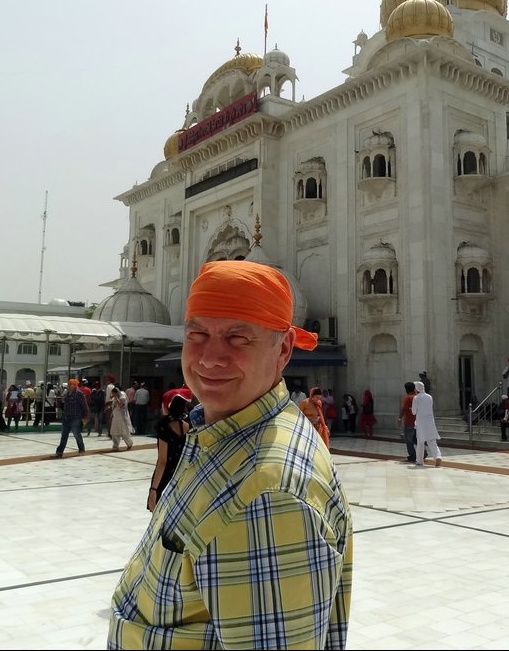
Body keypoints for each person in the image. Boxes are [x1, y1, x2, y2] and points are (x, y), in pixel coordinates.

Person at [108, 260, 352, 650]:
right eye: (198, 334)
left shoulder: (269, 493)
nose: (209, 358)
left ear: (284, 349)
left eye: (239, 338)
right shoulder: (215, 432)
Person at [146, 396, 190, 512]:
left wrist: (154, 489)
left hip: (166, 476)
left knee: (158, 514)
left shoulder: (164, 427)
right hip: (183, 474)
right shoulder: (188, 427)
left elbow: (162, 461)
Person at [51, 378, 89, 458]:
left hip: (75, 418)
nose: (68, 385)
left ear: (74, 385)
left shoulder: (79, 394)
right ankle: (59, 452)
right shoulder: (67, 394)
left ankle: (81, 449)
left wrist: (85, 416)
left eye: (69, 384)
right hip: (66, 418)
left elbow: (84, 405)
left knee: (77, 435)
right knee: (64, 435)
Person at [411, 380, 442, 467]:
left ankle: (419, 460)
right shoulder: (429, 397)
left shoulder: (416, 398)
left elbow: (413, 412)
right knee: (432, 441)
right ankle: (437, 456)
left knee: (420, 442)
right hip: (430, 421)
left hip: (421, 422)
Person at [107, 383, 134, 451]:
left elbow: (121, 405)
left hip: (122, 417)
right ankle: (115, 447)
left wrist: (116, 397)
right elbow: (113, 405)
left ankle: (129, 443)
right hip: (116, 416)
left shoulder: (122, 396)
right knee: (114, 432)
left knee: (123, 432)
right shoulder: (114, 397)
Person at [398, 381, 418, 462]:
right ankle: (423, 452)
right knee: (417, 438)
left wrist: (400, 418)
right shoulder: (418, 397)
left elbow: (404, 409)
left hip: (409, 421)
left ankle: (412, 455)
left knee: (409, 439)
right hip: (418, 421)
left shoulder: (407, 398)